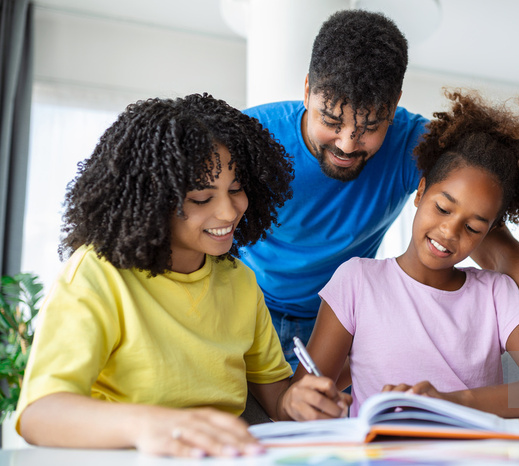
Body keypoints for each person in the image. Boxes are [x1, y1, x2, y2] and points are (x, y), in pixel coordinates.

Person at [242, 9, 519, 414]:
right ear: (306, 91)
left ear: (393, 111)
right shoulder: (254, 138)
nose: (346, 144)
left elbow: (505, 257)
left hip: (338, 322)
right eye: (331, 120)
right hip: (254, 315)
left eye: (368, 128)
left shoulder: (413, 147)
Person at [15, 94, 349, 458]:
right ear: (154, 200)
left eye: (236, 189)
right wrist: (151, 425)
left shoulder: (240, 282)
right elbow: (38, 414)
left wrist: (296, 402)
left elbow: (276, 402)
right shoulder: (98, 275)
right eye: (202, 198)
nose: (228, 211)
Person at [283, 90, 519, 418]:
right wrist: (304, 403)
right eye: (442, 208)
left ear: (489, 233)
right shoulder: (357, 280)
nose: (449, 233)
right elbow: (296, 404)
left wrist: (452, 402)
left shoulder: (496, 294)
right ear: (420, 191)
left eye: (473, 228)